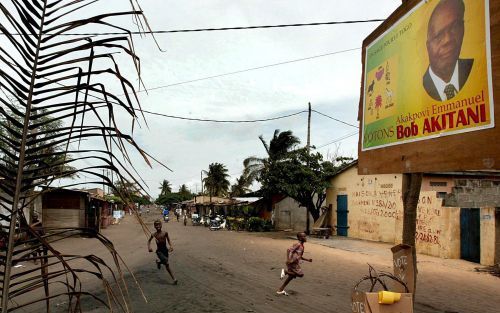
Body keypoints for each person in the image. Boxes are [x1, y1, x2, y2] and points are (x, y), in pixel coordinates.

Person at [423, 0, 473, 101]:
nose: (448, 39)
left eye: (454, 27)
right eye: (439, 36)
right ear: (428, 47)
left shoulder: (473, 68)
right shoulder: (419, 89)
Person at [148, 220, 177, 284]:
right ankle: (174, 279)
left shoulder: (165, 233)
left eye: (159, 224)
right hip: (159, 251)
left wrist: (171, 246)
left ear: (161, 225)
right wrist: (149, 247)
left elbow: (168, 240)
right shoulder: (154, 234)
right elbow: (149, 241)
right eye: (156, 225)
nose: (157, 226)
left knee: (166, 265)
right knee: (166, 263)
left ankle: (159, 263)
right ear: (154, 226)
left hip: (165, 250)